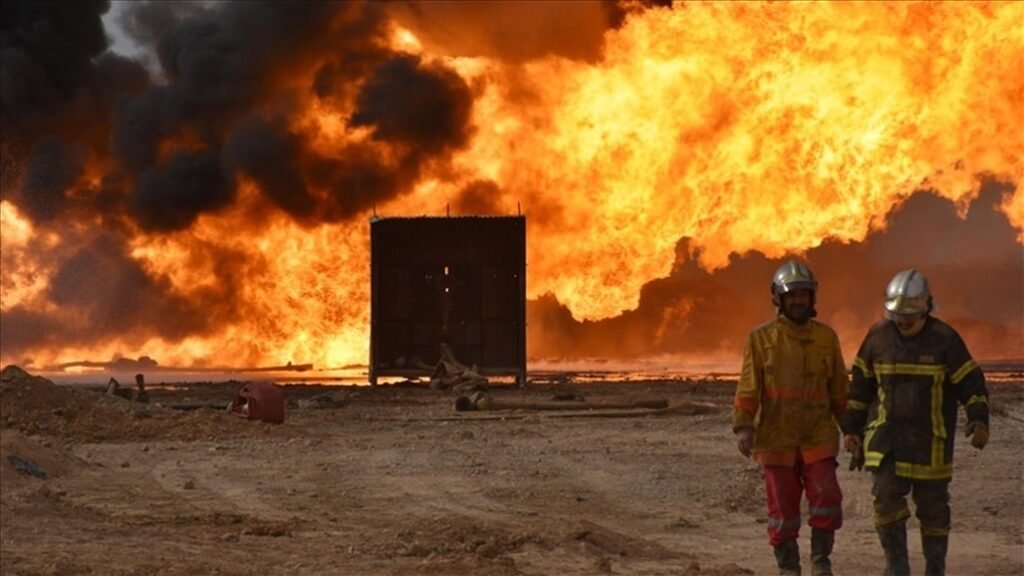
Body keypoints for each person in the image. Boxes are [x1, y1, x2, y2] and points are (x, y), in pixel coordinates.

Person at [841, 269, 989, 576]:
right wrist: (852, 430)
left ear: (926, 309)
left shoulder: (945, 339)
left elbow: (971, 384)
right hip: (886, 441)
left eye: (910, 315)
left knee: (934, 511)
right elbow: (860, 389)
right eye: (898, 315)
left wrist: (978, 419)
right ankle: (897, 568)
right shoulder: (877, 337)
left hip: (930, 442)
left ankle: (935, 569)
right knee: (885, 500)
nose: (903, 321)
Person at [733, 260, 848, 576]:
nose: (798, 301)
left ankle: (821, 563)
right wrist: (744, 426)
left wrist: (851, 429)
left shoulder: (826, 338)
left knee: (827, 498)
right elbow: (748, 386)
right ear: (778, 298)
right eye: (792, 295)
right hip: (776, 438)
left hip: (818, 436)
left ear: (812, 297)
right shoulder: (760, 338)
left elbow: (840, 389)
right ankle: (789, 567)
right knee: (782, 510)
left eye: (803, 295)